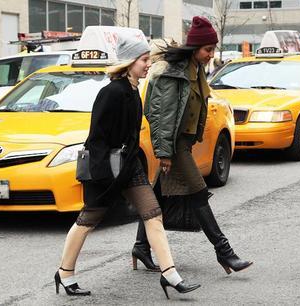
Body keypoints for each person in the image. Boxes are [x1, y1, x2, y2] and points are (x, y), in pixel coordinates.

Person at [55, 28, 200, 299]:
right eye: (143, 60)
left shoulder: (133, 90)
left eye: (148, 60)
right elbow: (96, 138)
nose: (148, 65)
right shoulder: (112, 92)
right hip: (106, 170)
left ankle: (170, 274)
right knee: (87, 221)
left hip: (128, 166)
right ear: (129, 62)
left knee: (153, 214)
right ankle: (65, 273)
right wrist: (103, 178)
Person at [134, 16, 253, 275]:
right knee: (199, 194)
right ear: (195, 48)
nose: (211, 54)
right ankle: (225, 253)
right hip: (175, 146)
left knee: (158, 198)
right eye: (207, 49)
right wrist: (164, 152)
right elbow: (162, 115)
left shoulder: (197, 69)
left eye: (213, 49)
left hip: (184, 144)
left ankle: (141, 246)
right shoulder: (173, 73)